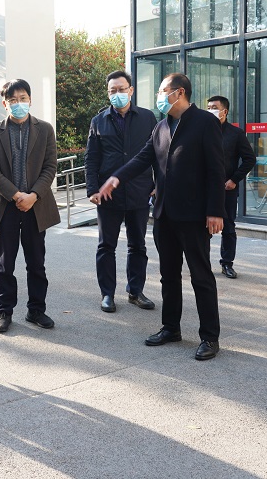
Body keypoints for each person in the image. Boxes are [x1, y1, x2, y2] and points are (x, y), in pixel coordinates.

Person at [99, 73, 225, 361]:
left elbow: (216, 170)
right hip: (164, 214)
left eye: (161, 91)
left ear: (179, 92)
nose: (158, 97)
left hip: (194, 215)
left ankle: (210, 336)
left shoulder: (204, 122)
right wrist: (117, 178)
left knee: (201, 276)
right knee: (168, 275)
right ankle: (171, 327)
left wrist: (216, 211)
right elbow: (143, 158)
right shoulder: (161, 126)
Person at [0, 79, 60, 333]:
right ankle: (4, 311)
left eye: (23, 98)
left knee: (36, 262)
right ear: (5, 104)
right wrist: (16, 195)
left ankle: (36, 310)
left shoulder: (45, 129)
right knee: (6, 264)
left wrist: (33, 195)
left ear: (30, 100)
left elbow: (50, 167)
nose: (18, 104)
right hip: (5, 207)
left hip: (36, 206)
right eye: (13, 100)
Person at [86, 70, 158, 313]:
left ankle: (136, 291)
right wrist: (92, 189)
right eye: (112, 90)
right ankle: (107, 294)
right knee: (106, 246)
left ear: (131, 90)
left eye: (121, 89)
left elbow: (159, 154)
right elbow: (91, 159)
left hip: (140, 191)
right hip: (108, 195)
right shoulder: (99, 121)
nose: (117, 94)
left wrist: (158, 184)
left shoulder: (148, 118)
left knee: (138, 245)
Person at [206, 95, 256, 279]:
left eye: (214, 107)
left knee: (228, 228)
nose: (210, 110)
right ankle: (202, 264)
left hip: (227, 189)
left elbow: (249, 159)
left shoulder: (236, 134)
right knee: (203, 228)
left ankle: (227, 263)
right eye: (208, 107)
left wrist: (234, 179)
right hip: (205, 188)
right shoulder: (202, 131)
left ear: (224, 111)